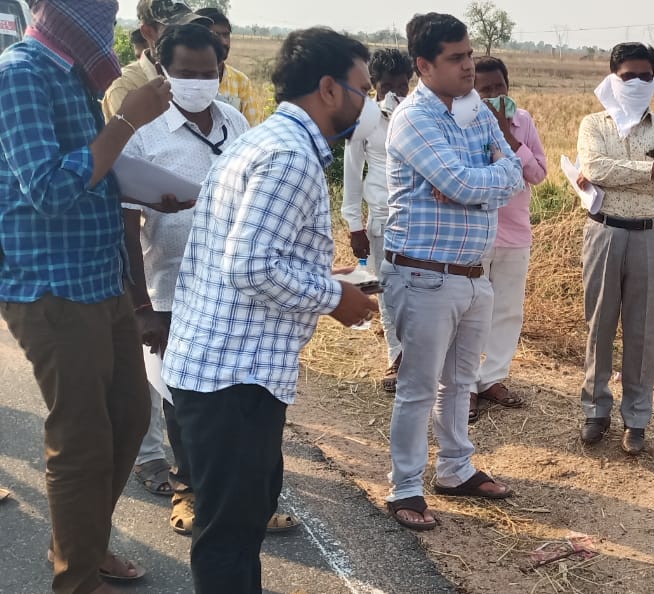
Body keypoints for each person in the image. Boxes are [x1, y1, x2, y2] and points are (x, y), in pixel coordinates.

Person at [161, 27, 379, 592]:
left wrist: (322, 277)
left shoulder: (263, 141)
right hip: (235, 378)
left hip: (224, 369)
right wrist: (336, 298)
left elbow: (252, 255)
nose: (369, 103)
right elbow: (251, 267)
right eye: (363, 88)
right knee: (230, 539)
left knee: (234, 528)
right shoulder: (289, 159)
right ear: (329, 89)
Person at [0, 0, 175, 592]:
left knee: (128, 416)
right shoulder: (20, 73)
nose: (110, 18)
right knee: (81, 439)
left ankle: (84, 544)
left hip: (102, 280)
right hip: (51, 284)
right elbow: (48, 189)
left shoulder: (70, 75)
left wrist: (151, 192)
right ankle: (76, 578)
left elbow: (93, 168)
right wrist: (126, 122)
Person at [119, 22, 301, 539]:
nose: (198, 81)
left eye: (208, 72)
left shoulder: (238, 123)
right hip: (172, 289)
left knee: (244, 398)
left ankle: (251, 501)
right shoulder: (143, 133)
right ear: (163, 71)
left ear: (222, 70)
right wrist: (141, 307)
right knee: (184, 404)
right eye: (185, 73)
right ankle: (189, 495)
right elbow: (126, 226)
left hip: (240, 289)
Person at [382, 12, 525, 532]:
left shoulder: (473, 110)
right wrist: (479, 183)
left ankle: (456, 467)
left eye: (469, 55)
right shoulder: (414, 118)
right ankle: (405, 487)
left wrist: (476, 182)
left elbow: (514, 166)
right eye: (456, 58)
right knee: (419, 386)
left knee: (461, 382)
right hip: (424, 274)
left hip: (472, 273)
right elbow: (470, 182)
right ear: (423, 65)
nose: (468, 66)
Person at [575, 42, 654, 454]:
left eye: (644, 75)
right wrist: (649, 168)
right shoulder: (593, 125)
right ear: (612, 77)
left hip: (650, 234)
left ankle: (636, 419)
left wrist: (621, 173)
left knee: (642, 330)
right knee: (599, 324)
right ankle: (595, 410)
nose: (636, 83)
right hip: (604, 231)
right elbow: (595, 167)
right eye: (627, 76)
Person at [468, 55, 548, 422]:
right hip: (474, 232)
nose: (494, 95)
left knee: (508, 310)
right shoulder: (464, 124)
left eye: (499, 87)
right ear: (472, 92)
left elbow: (538, 174)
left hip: (515, 233)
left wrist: (510, 135)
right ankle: (465, 384)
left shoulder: (523, 121)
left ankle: (493, 378)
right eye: (485, 90)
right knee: (470, 311)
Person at [341, 47, 412, 393]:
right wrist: (354, 225)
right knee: (386, 289)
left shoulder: (419, 117)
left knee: (414, 289)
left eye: (404, 85)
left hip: (417, 220)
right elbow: (352, 175)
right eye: (388, 87)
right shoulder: (365, 122)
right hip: (382, 219)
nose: (396, 94)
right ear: (375, 88)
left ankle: (417, 353)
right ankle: (396, 356)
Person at [103, 0, 210, 120]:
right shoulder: (125, 86)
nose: (186, 37)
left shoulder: (202, 77)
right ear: (148, 32)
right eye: (175, 31)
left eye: (190, 29)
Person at [195, 6, 261, 125]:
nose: (224, 42)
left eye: (226, 35)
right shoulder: (184, 80)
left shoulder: (241, 82)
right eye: (215, 35)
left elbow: (253, 128)